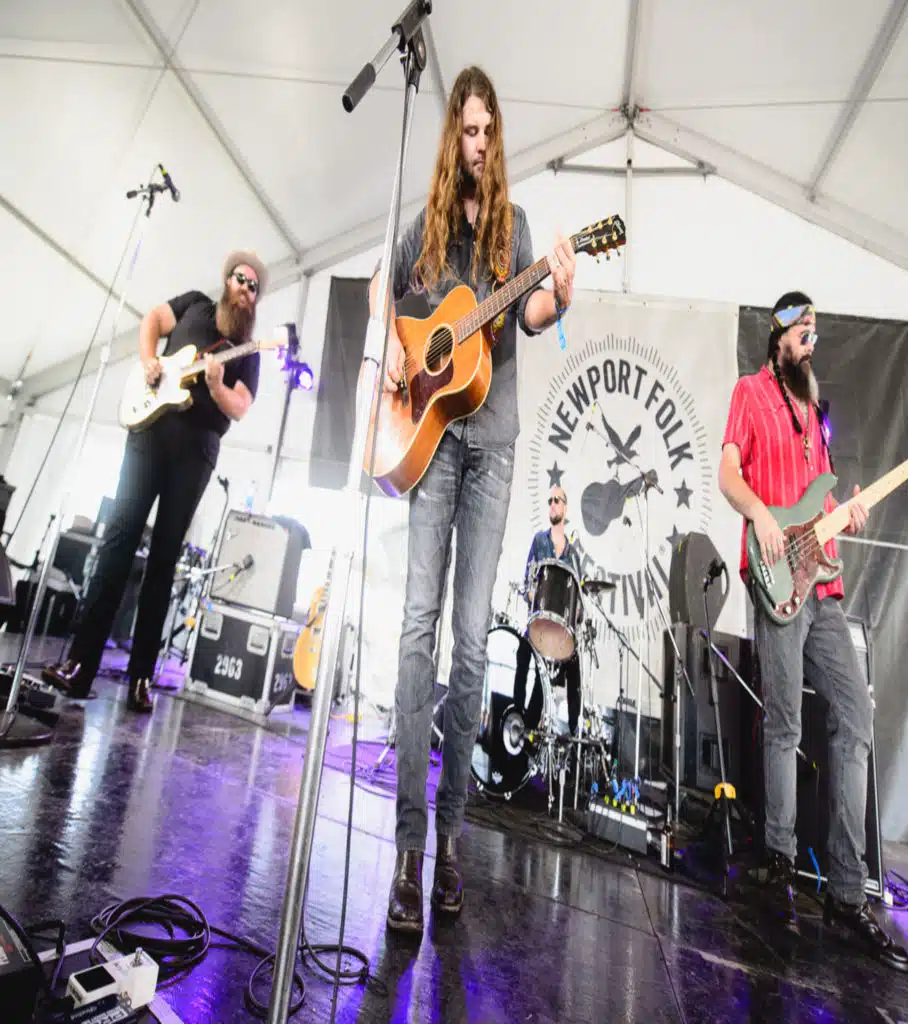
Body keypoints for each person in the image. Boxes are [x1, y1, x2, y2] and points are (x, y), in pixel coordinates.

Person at [374, 66, 575, 934]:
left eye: (491, 132)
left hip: (491, 446)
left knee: (466, 641)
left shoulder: (516, 228)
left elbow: (526, 319)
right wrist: (392, 348)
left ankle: (449, 836)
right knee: (416, 626)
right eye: (469, 130)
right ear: (452, 134)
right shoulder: (421, 226)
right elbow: (394, 298)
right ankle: (407, 848)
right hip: (427, 442)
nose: (481, 144)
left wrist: (557, 290)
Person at [718, 292, 908, 973]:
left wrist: (845, 513)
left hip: (823, 588)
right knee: (784, 724)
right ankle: (775, 856)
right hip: (775, 578)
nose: (812, 343)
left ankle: (844, 891)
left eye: (815, 334)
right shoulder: (750, 393)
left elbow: (820, 500)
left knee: (855, 717)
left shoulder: (811, 411)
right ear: (778, 338)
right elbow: (728, 473)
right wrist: (760, 516)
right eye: (803, 333)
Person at [43, 252, 265, 713]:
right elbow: (152, 320)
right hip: (147, 434)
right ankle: (80, 664)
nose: (248, 289)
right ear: (227, 280)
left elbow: (240, 407)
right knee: (117, 541)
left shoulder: (249, 349)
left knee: (164, 559)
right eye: (243, 280)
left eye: (256, 287)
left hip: (197, 451)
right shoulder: (195, 306)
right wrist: (148, 361)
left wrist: (218, 385)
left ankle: (140, 677)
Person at [512, 485, 582, 737]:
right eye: (549, 500)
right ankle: (515, 718)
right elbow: (527, 580)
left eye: (557, 500)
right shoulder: (539, 541)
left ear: (565, 508)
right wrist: (533, 599)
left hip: (559, 629)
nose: (552, 504)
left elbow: (579, 596)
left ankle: (568, 732)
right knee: (523, 654)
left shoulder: (573, 554)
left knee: (571, 664)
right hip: (537, 618)